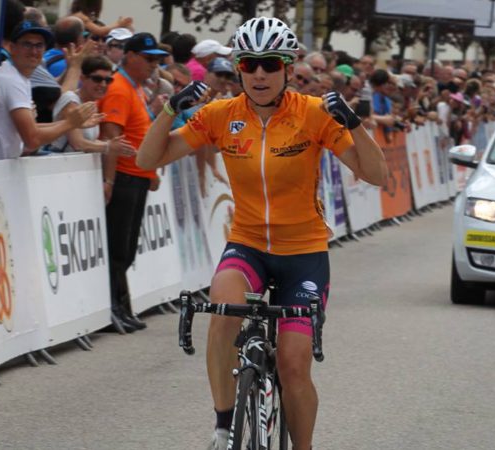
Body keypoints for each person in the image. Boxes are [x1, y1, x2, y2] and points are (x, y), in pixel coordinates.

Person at [137, 16, 387, 450]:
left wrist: (354, 124)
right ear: (238, 68)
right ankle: (223, 426)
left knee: (293, 367)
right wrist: (168, 111)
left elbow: (377, 175)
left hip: (303, 253)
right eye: (248, 64)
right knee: (223, 313)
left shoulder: (313, 114)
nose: (258, 74)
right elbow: (146, 160)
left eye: (270, 64)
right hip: (248, 245)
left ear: (287, 68)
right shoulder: (221, 115)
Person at [98, 32, 169, 333]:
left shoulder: (135, 87)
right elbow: (112, 135)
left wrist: (150, 170)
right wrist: (110, 179)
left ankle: (121, 305)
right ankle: (113, 307)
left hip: (136, 175)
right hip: (125, 176)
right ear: (130, 56)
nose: (154, 65)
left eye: (157, 60)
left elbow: (139, 131)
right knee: (118, 247)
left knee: (126, 248)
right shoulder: (118, 88)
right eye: (149, 58)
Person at [0, 21, 100, 163]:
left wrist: (72, 123)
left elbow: (29, 130)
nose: (34, 51)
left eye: (39, 45)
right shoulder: (11, 80)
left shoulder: (14, 75)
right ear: (12, 48)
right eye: (27, 44)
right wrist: (70, 123)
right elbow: (32, 139)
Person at [51, 55, 135, 156]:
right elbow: (78, 144)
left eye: (108, 80)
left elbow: (90, 142)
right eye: (97, 79)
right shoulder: (71, 100)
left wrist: (120, 147)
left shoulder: (92, 104)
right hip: (63, 164)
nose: (103, 84)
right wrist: (108, 146)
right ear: (83, 78)